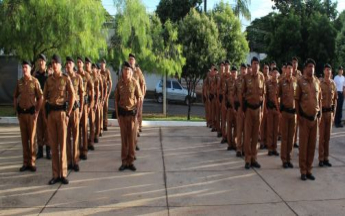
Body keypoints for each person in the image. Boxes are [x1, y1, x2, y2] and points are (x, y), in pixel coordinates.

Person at [44, 54, 75, 185]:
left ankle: (63, 174)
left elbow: (72, 96)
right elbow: (44, 97)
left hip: (62, 114)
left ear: (60, 65)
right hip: (52, 114)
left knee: (62, 145)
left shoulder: (66, 79)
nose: (54, 65)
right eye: (52, 63)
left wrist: (68, 113)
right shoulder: (48, 81)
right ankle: (55, 174)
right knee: (53, 145)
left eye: (56, 63)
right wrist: (46, 114)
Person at [14, 60, 43, 172]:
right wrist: (16, 110)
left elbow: (40, 97)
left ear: (30, 69)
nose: (24, 69)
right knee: (24, 139)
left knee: (32, 139)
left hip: (31, 115)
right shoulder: (19, 82)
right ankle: (25, 162)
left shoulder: (35, 81)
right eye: (23, 67)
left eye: (26, 67)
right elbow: (15, 96)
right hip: (22, 114)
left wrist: (37, 112)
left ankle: (32, 162)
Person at [295, 58, 322, 181]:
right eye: (309, 66)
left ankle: (309, 169)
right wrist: (299, 116)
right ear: (305, 68)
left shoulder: (317, 82)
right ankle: (303, 171)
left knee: (312, 146)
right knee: (303, 146)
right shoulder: (300, 82)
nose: (311, 69)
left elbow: (319, 99)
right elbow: (296, 100)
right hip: (304, 119)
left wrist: (319, 113)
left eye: (313, 67)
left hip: (314, 119)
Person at [115, 61, 142, 171]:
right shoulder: (119, 83)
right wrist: (117, 116)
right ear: (122, 71)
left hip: (132, 116)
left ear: (131, 72)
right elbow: (116, 101)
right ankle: (124, 161)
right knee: (124, 140)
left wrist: (137, 113)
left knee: (131, 140)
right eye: (125, 70)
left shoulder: (135, 83)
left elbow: (139, 98)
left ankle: (130, 162)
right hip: (122, 115)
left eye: (128, 70)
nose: (126, 72)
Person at [241, 57, 265, 169]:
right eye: (254, 64)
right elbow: (242, 94)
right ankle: (247, 159)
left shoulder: (262, 77)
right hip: (249, 110)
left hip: (258, 110)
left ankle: (254, 158)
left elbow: (263, 95)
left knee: (256, 136)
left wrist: (262, 111)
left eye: (257, 64)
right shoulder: (246, 78)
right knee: (247, 136)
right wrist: (242, 110)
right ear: (251, 65)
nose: (256, 66)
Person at [66, 56, 84, 172]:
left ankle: (76, 161)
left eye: (70, 63)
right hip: (66, 110)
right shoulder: (63, 78)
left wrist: (82, 109)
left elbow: (82, 94)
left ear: (73, 65)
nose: (68, 65)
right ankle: (68, 161)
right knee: (67, 137)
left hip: (76, 111)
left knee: (76, 136)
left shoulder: (78, 78)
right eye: (66, 64)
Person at [279, 62, 297, 169]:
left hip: (293, 113)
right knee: (284, 137)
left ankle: (289, 158)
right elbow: (278, 96)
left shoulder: (296, 81)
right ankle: (284, 159)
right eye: (288, 68)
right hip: (285, 112)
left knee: (291, 137)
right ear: (285, 70)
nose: (290, 70)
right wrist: (279, 111)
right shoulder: (281, 82)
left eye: (291, 68)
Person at [319, 64, 337, 167]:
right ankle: (321, 158)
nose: (328, 72)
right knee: (322, 137)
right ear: (324, 71)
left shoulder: (333, 84)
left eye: (329, 70)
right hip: (323, 113)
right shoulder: (320, 84)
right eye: (326, 70)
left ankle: (326, 157)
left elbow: (335, 100)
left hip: (330, 113)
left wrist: (334, 114)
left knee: (328, 137)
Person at [34, 54, 51, 159]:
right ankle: (40, 151)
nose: (41, 63)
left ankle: (48, 151)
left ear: (45, 62)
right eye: (39, 61)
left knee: (47, 128)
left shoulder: (49, 76)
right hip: (38, 104)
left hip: (47, 104)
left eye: (43, 61)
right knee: (39, 128)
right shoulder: (35, 75)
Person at [77, 57, 94, 160]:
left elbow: (92, 90)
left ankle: (84, 150)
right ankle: (78, 149)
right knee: (77, 129)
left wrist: (91, 104)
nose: (79, 64)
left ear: (83, 64)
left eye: (80, 62)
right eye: (77, 62)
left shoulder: (87, 76)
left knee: (84, 128)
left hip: (85, 104)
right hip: (76, 105)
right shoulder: (74, 75)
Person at [128, 54, 146, 136]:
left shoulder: (138, 71)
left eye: (132, 59)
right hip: (130, 97)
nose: (131, 61)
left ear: (135, 61)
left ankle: (138, 128)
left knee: (138, 112)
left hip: (138, 96)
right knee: (131, 113)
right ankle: (133, 128)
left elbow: (143, 84)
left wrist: (142, 96)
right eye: (130, 59)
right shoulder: (127, 70)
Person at [266, 67, 280, 156]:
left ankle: (275, 148)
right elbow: (266, 96)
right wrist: (266, 108)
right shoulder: (268, 83)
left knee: (276, 130)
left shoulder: (280, 84)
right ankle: (270, 148)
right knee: (270, 129)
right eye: (274, 73)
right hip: (270, 109)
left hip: (277, 109)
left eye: (276, 73)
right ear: (271, 74)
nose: (275, 74)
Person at [234, 63, 247, 157]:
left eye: (245, 69)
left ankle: (245, 149)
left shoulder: (249, 80)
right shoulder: (237, 81)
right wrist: (236, 106)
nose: (243, 70)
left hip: (247, 109)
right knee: (239, 129)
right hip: (239, 108)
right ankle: (239, 148)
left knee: (246, 130)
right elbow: (234, 94)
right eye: (242, 69)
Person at [225, 66, 237, 151]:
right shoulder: (227, 81)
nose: (233, 73)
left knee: (236, 127)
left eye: (235, 72)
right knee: (229, 126)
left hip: (236, 108)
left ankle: (234, 143)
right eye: (232, 72)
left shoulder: (239, 81)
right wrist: (226, 104)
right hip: (229, 107)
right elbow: (225, 93)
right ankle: (229, 144)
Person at [260, 62, 271, 149]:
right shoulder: (261, 78)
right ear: (263, 69)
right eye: (265, 68)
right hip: (263, 104)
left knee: (268, 125)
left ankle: (267, 142)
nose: (266, 70)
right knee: (262, 124)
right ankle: (262, 141)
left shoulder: (271, 79)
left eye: (267, 68)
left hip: (270, 105)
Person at [100, 59, 112, 131]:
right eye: (101, 64)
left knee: (105, 109)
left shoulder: (107, 72)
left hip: (105, 93)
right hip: (99, 94)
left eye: (103, 64)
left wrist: (109, 93)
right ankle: (100, 124)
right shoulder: (99, 72)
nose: (102, 65)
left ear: (105, 64)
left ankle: (105, 124)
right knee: (100, 109)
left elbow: (110, 83)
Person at [220, 61, 231, 143]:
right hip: (224, 99)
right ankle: (224, 136)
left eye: (228, 65)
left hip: (231, 100)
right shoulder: (222, 76)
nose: (227, 67)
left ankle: (230, 138)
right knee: (223, 119)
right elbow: (219, 87)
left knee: (230, 120)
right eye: (225, 65)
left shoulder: (233, 75)